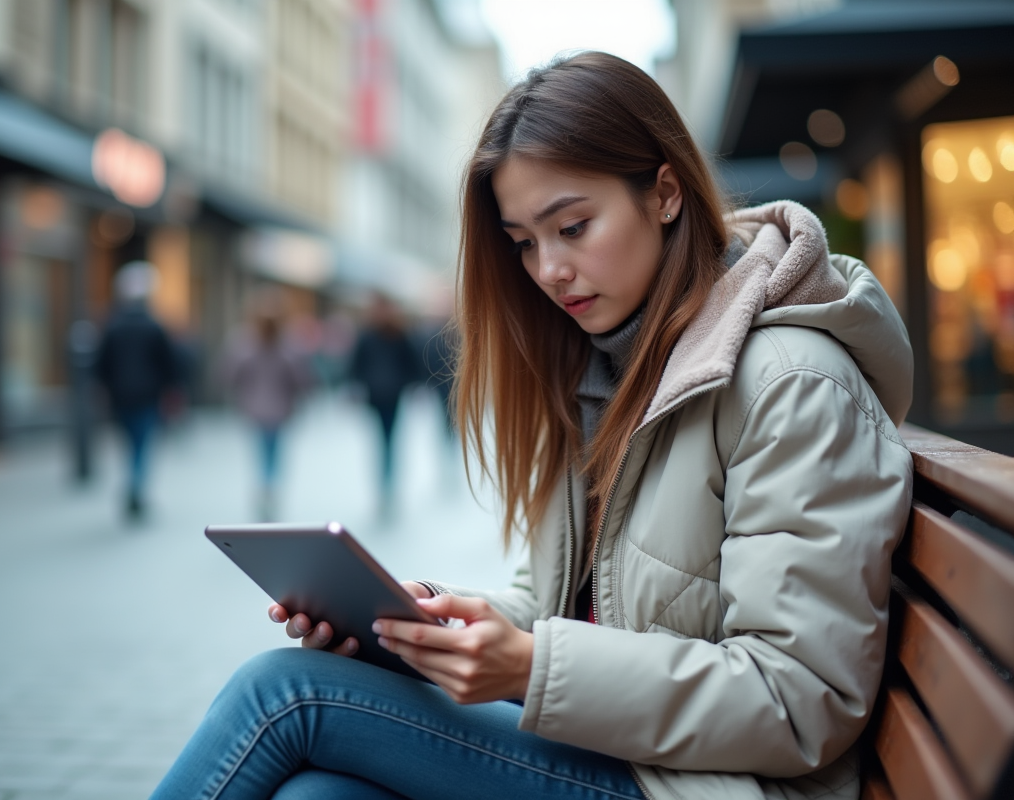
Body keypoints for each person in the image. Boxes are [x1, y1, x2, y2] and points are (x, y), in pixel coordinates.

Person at [150, 52, 913, 800]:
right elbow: (560, 606)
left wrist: (531, 666)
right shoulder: (611, 367)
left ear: (667, 194)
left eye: (573, 227)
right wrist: (421, 627)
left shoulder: (791, 382)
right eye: (523, 242)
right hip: (624, 753)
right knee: (318, 793)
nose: (547, 269)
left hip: (708, 783)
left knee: (285, 693)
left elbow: (799, 699)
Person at [94, 261, 181, 520]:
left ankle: (133, 484)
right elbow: (169, 363)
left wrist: (106, 388)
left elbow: (101, 364)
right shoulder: (154, 326)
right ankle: (136, 486)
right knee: (142, 444)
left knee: (130, 443)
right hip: (147, 395)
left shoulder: (113, 326)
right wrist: (171, 391)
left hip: (121, 396)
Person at [222, 298, 311, 521]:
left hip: (255, 407)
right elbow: (300, 378)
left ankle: (265, 485)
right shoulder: (287, 346)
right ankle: (269, 486)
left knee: (262, 449)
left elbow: (229, 374)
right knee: (274, 450)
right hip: (279, 408)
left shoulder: (244, 343)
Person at [347, 293, 423, 516]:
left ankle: (388, 485)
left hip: (394, 394)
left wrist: (412, 384)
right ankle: (383, 485)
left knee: (390, 441)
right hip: (375, 395)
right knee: (381, 441)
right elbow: (356, 363)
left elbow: (412, 363)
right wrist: (355, 385)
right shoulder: (367, 335)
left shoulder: (399, 334)